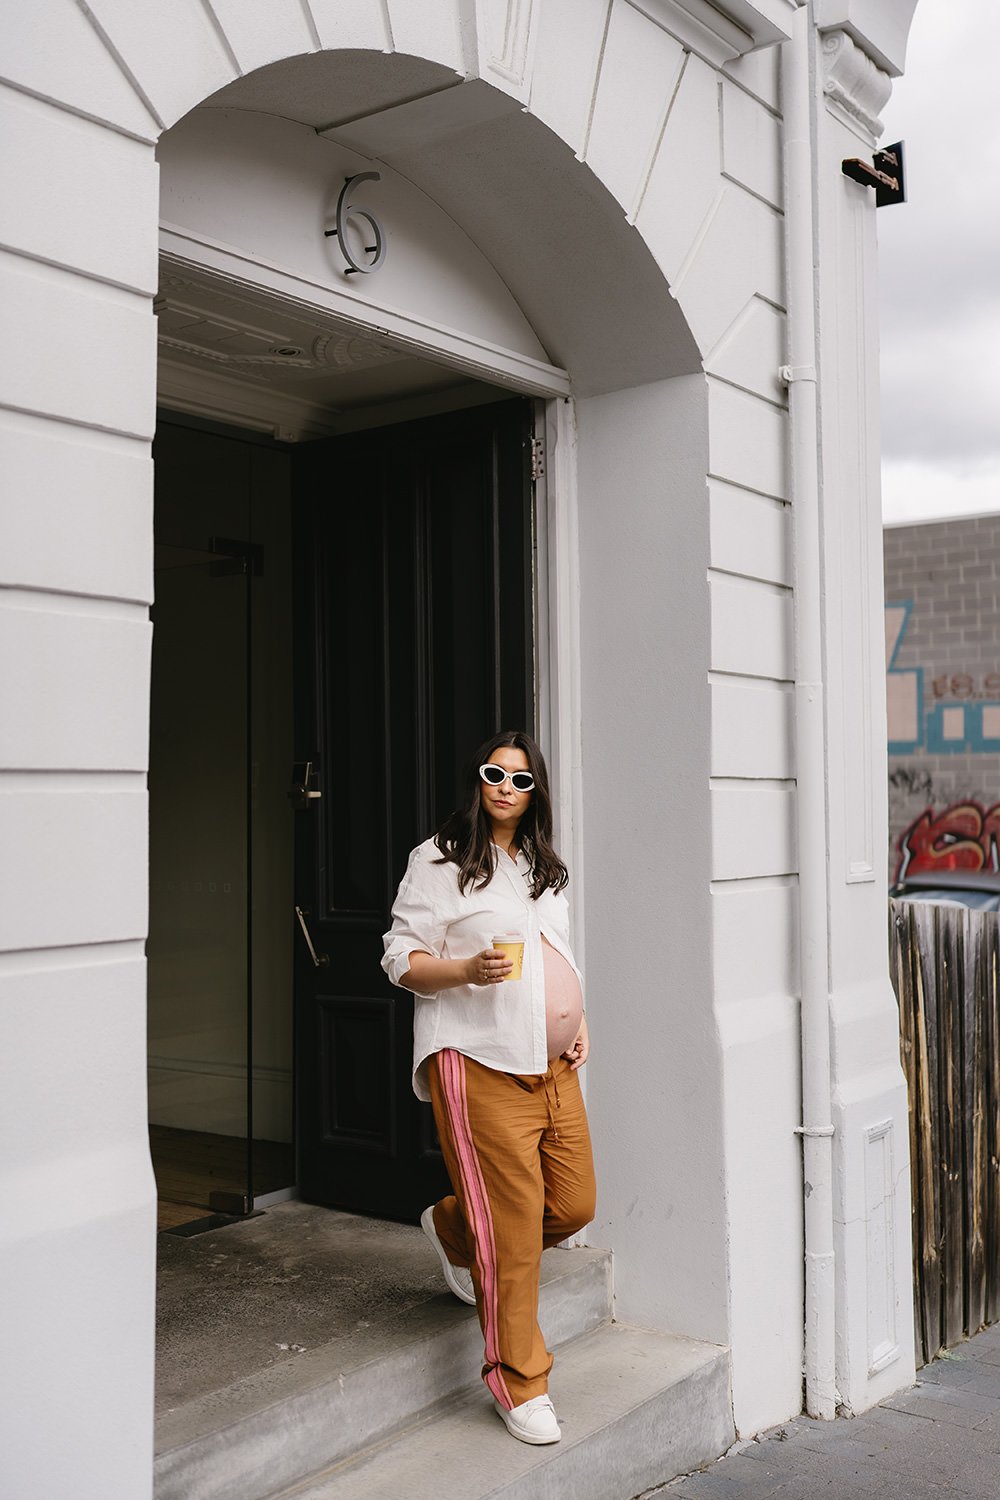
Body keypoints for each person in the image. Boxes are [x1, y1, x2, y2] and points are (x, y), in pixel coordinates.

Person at [382, 729, 595, 1446]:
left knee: (572, 1205)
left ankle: (451, 1225)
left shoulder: (543, 865)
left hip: (552, 1063)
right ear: (477, 782)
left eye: (521, 779)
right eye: (493, 774)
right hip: (478, 1059)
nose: (506, 787)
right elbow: (400, 958)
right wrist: (466, 972)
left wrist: (577, 1014)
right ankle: (518, 1380)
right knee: (511, 1233)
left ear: (537, 792)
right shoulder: (440, 861)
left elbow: (553, 952)